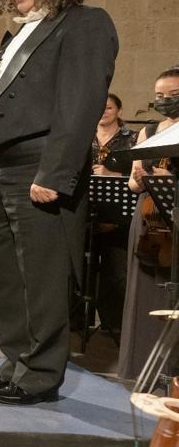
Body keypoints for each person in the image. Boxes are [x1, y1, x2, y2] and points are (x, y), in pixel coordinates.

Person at [0, 0, 118, 405]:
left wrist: (55, 173)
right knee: (7, 275)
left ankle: (42, 375)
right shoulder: (16, 34)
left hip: (39, 164)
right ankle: (16, 364)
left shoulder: (84, 24)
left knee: (42, 278)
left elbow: (80, 104)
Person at [119, 69, 179, 379]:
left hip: (176, 222)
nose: (165, 101)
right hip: (147, 219)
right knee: (143, 290)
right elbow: (132, 183)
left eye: (172, 95)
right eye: (159, 96)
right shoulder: (149, 131)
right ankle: (142, 366)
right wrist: (139, 179)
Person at [88, 94, 136, 340]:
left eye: (108, 107)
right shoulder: (83, 134)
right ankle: (78, 322)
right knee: (83, 270)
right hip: (87, 213)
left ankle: (114, 325)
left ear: (118, 109)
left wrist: (112, 174)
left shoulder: (132, 138)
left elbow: (138, 171)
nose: (103, 112)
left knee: (115, 272)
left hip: (117, 215)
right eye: (99, 107)